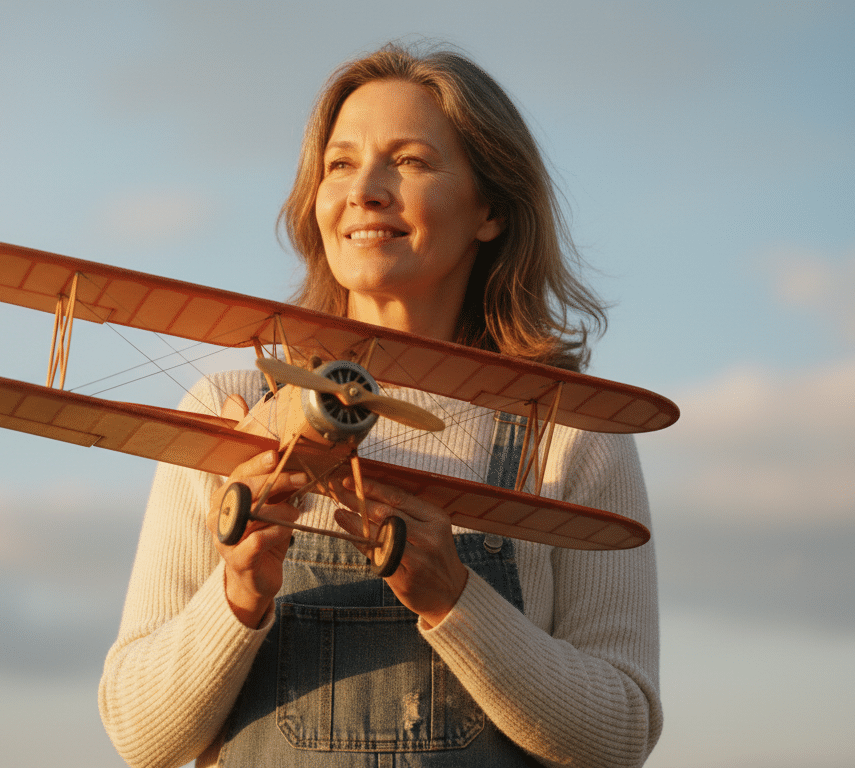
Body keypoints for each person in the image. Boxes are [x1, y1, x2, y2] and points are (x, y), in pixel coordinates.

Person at [99, 42, 661, 768]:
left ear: (489, 208)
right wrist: (238, 590)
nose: (364, 189)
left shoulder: (567, 433)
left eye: (411, 161)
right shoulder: (230, 404)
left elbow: (618, 735)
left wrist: (456, 599)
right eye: (339, 163)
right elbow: (141, 738)